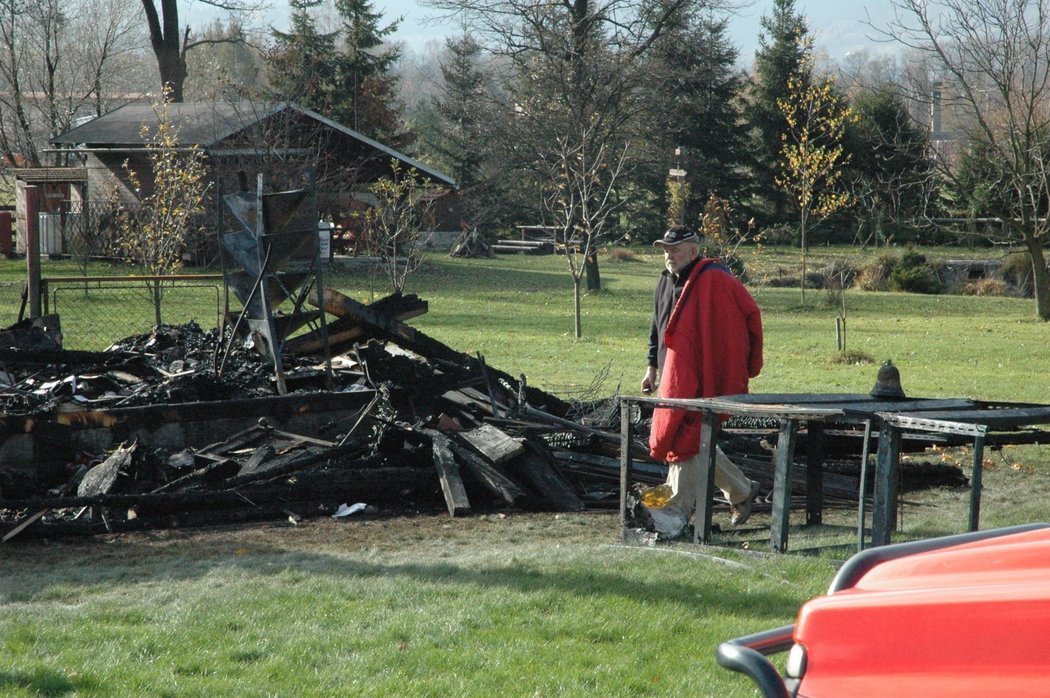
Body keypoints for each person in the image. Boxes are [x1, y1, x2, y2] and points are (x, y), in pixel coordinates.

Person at [641, 225, 764, 536]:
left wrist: (737, 366)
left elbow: (741, 321)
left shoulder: (714, 280)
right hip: (672, 374)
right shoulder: (664, 280)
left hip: (702, 375)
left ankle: (674, 514)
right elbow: (657, 327)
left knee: (687, 437)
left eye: (675, 249)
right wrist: (651, 368)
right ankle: (741, 490)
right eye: (666, 250)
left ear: (693, 251)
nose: (669, 255)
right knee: (694, 438)